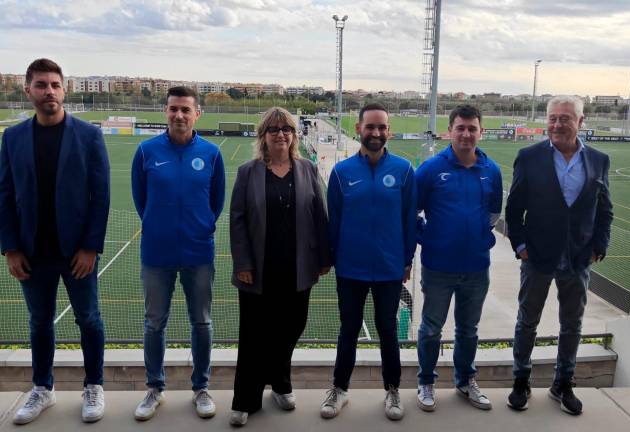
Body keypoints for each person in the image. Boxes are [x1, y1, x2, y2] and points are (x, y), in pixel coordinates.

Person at [0, 58, 110, 425]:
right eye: (42, 84)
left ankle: (94, 385)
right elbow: (5, 194)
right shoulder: (13, 138)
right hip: (32, 253)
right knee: (39, 322)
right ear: (28, 90)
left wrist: (91, 247)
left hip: (77, 252)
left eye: (55, 85)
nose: (49, 91)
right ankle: (42, 389)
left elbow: (101, 195)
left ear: (65, 89)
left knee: (89, 319)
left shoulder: (89, 136)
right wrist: (11, 247)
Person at [505, 95, 613, 415]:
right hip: (537, 257)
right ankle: (521, 380)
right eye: (552, 118)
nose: (557, 124)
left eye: (565, 118)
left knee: (572, 325)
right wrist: (520, 246)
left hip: (578, 259)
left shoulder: (598, 160)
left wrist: (598, 246)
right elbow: (513, 210)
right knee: (528, 322)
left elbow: (605, 211)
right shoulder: (529, 157)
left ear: (580, 122)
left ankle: (562, 383)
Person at [228, 107, 332, 426]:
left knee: (292, 326)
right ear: (263, 136)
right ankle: (247, 399)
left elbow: (319, 216)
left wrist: (324, 258)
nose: (280, 134)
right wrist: (243, 262)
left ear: (293, 135)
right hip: (258, 269)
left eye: (286, 129)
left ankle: (279, 381)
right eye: (273, 130)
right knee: (254, 336)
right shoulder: (248, 172)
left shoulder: (307, 170)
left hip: (297, 267)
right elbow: (238, 221)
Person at [130, 86, 225, 421]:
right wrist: (160, 227)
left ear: (197, 113)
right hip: (157, 254)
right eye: (173, 109)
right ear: (165, 112)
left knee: (201, 322)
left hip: (199, 252)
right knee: (154, 323)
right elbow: (141, 200)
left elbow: (216, 203)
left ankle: (201, 388)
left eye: (186, 109)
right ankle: (154, 389)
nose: (179, 115)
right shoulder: (146, 152)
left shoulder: (212, 154)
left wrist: (198, 229)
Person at [321, 102, 417, 421]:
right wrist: (331, 258)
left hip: (390, 269)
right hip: (350, 269)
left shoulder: (403, 170)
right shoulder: (341, 171)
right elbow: (333, 220)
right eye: (370, 127)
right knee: (348, 329)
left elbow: (409, 221)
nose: (376, 133)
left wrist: (406, 261)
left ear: (388, 131)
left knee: (387, 330)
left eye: (381, 127)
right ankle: (339, 389)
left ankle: (392, 391)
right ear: (358, 129)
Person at [414, 105, 503, 412]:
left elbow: (494, 212)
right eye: (460, 128)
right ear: (449, 131)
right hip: (438, 267)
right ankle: (426, 381)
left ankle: (465, 381)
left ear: (481, 132)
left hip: (477, 267)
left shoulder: (491, 170)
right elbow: (410, 211)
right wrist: (428, 237)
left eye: (472, 128)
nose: (466, 134)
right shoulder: (430, 169)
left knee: (469, 330)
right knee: (431, 328)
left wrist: (478, 236)